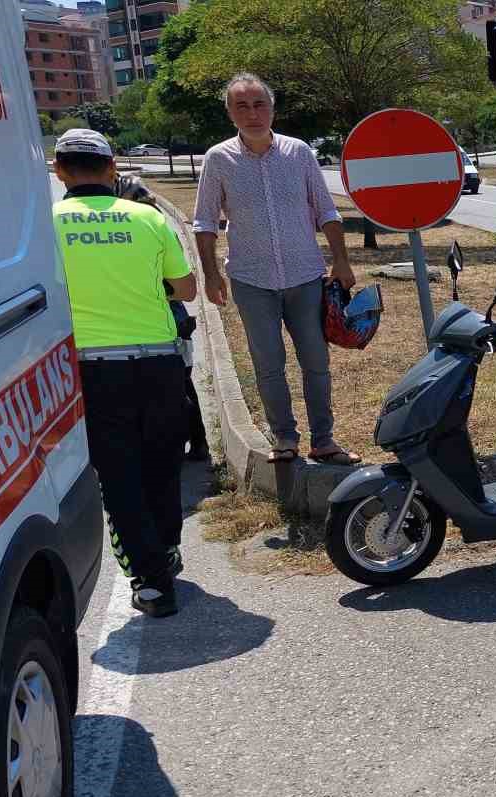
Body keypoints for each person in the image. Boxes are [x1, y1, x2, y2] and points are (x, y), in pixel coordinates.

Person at [52, 129, 197, 618]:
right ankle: (167, 550)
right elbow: (186, 288)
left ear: (60, 172)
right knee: (161, 464)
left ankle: (153, 582)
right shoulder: (148, 219)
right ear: (112, 170)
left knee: (118, 476)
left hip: (92, 369)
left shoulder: (47, 224)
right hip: (159, 361)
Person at [193, 72, 361, 465]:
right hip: (252, 280)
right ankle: (284, 438)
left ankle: (324, 440)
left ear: (272, 108)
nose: (252, 113)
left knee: (316, 361)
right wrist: (212, 273)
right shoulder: (219, 159)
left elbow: (327, 210)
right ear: (230, 113)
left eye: (259, 104)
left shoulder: (299, 152)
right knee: (269, 364)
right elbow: (204, 221)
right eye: (242, 106)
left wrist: (341, 260)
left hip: (305, 276)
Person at [115, 173, 209, 461]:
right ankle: (196, 442)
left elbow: (176, 283)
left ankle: (193, 442)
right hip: (173, 318)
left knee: (177, 385)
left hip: (168, 317)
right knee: (181, 382)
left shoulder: (148, 226)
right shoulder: (154, 222)